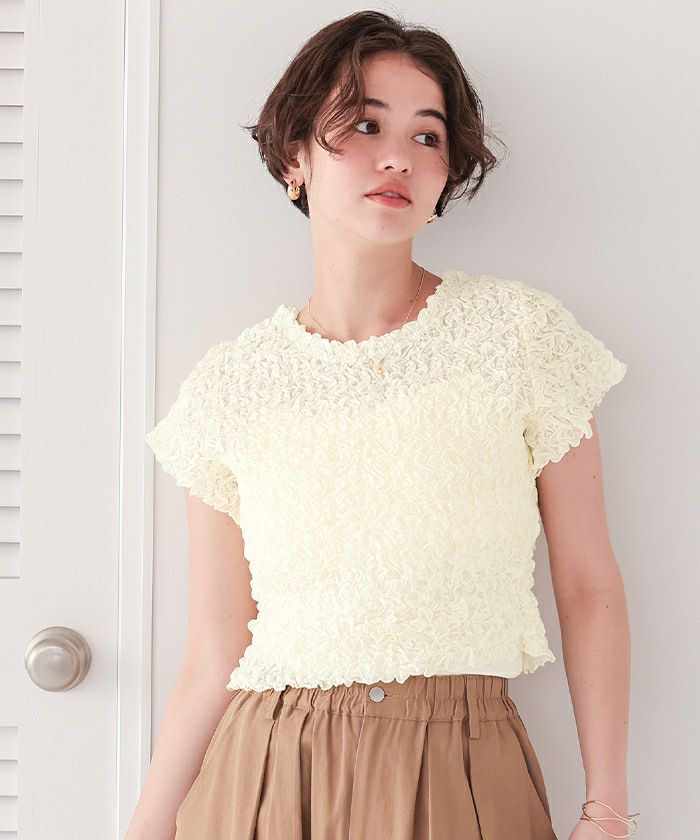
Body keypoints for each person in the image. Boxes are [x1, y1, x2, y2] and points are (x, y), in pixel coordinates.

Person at [129, 10, 639, 840]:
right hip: (263, 778)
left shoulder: (520, 337)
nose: (399, 156)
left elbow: (589, 587)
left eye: (427, 136)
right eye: (365, 125)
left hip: (463, 773)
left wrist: (606, 807)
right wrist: (146, 828)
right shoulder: (231, 386)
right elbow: (215, 647)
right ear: (294, 157)